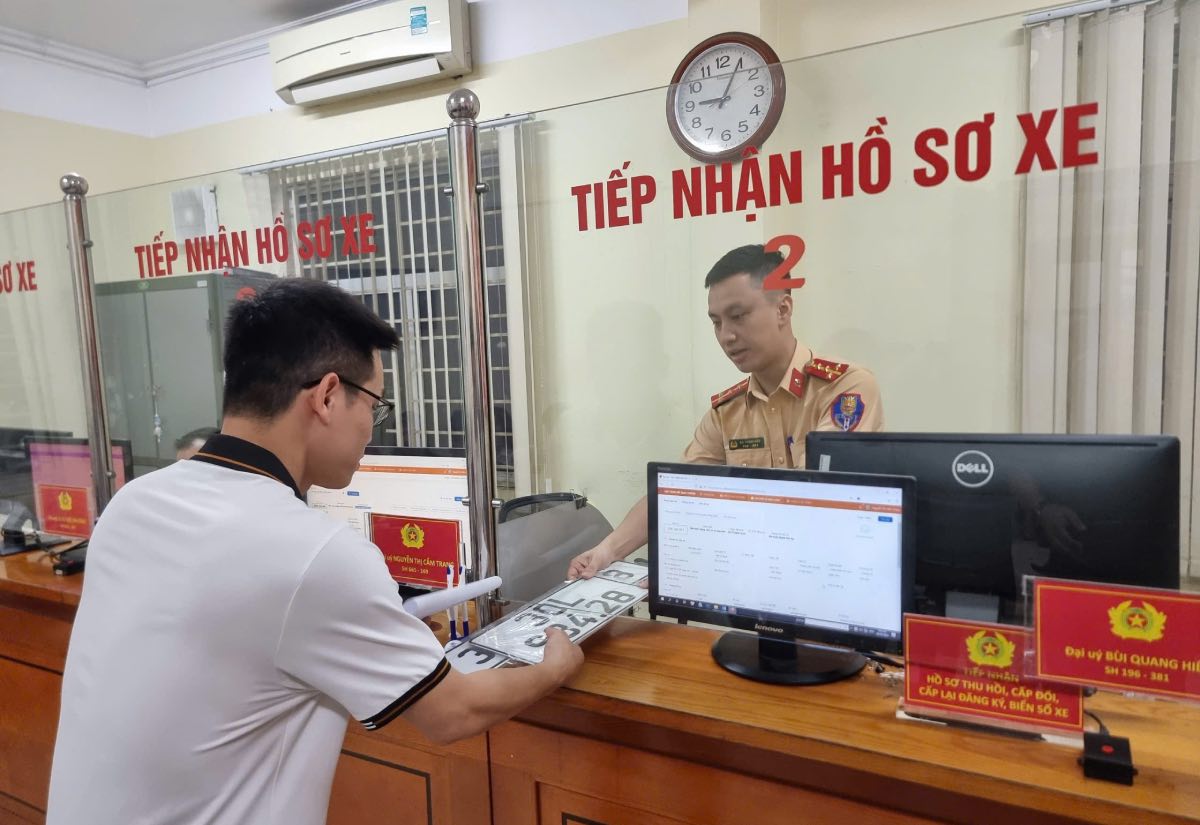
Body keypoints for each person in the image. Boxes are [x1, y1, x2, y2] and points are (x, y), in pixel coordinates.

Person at [47, 279, 582, 825]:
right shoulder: (314, 553)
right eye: (375, 403)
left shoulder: (134, 502)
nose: (372, 426)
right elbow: (452, 712)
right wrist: (554, 667)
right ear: (327, 396)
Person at [569, 244, 885, 580]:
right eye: (716, 322)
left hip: (830, 582)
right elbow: (676, 491)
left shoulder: (844, 389)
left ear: (783, 309)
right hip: (754, 587)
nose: (726, 336)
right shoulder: (727, 412)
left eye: (738, 316)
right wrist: (606, 552)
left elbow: (818, 503)